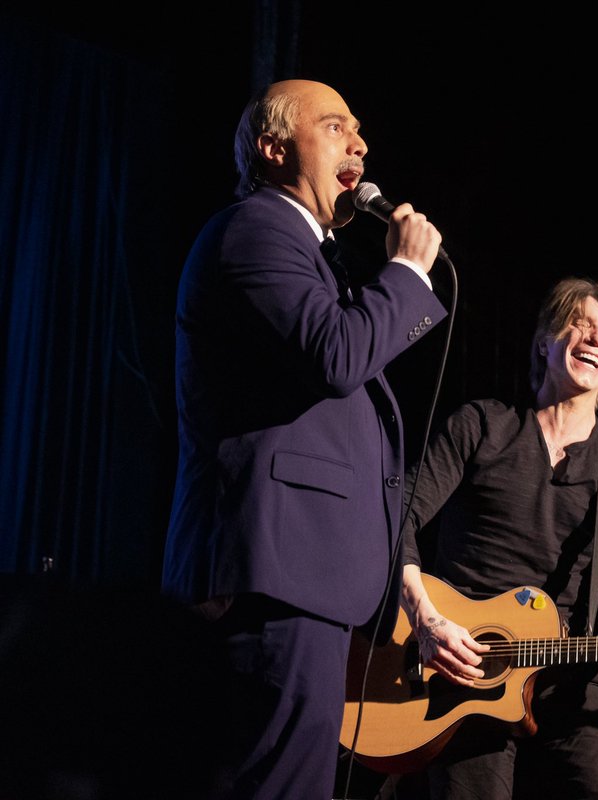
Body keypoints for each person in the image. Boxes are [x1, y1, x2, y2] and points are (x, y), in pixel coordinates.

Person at [161, 78, 448, 800]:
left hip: (306, 580)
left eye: (360, 129)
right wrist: (408, 270)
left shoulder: (313, 252)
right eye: (336, 126)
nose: (361, 142)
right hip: (274, 574)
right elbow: (339, 354)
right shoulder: (255, 229)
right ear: (273, 147)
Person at [394, 276, 598, 800]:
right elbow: (395, 521)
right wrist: (426, 620)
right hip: (465, 662)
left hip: (565, 669)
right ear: (545, 340)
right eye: (580, 323)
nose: (595, 338)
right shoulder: (480, 426)